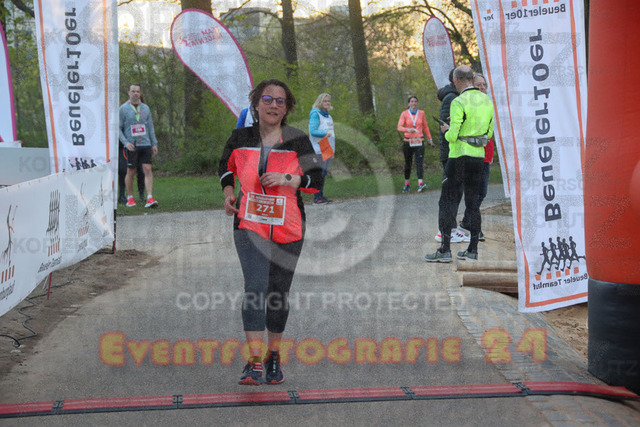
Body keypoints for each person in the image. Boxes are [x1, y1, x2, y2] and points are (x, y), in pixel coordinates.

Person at [218, 79, 323, 385]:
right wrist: (228, 193)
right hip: (249, 223)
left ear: (287, 108)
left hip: (289, 226)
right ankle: (253, 361)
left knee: (277, 293)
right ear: (256, 103)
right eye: (267, 99)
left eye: (280, 101)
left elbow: (317, 180)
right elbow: (225, 167)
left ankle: (273, 355)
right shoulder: (240, 137)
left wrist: (290, 179)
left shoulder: (298, 139)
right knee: (255, 288)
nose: (273, 105)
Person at [425, 65, 494, 262]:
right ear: (472, 79)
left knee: (447, 201)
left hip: (458, 158)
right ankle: (472, 250)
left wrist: (446, 129)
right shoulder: (487, 100)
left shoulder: (458, 101)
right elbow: (489, 133)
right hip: (478, 157)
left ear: (456, 81)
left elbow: (452, 136)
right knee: (473, 203)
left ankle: (445, 250)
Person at [433, 70, 468, 244]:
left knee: (456, 192)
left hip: (458, 152)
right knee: (450, 193)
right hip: (451, 154)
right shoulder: (451, 98)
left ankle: (451, 228)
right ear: (457, 80)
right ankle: (444, 231)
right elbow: (445, 128)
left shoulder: (457, 97)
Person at [459, 73, 494, 242]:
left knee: (482, 193)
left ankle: (467, 221)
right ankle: (473, 225)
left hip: (486, 156)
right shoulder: (469, 103)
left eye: (484, 85)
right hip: (473, 155)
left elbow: (490, 132)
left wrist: (491, 154)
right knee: (476, 193)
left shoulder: (487, 104)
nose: (482, 87)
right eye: (479, 84)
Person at [119, 84, 159, 208]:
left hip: (145, 143)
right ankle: (130, 198)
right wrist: (126, 143)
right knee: (131, 171)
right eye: (133, 91)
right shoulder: (123, 109)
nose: (135, 93)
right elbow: (118, 128)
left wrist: (154, 143)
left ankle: (150, 197)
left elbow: (150, 127)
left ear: (140, 93)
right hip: (132, 145)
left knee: (147, 169)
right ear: (129, 92)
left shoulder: (146, 108)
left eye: (137, 91)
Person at [397, 96, 433, 193]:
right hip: (408, 141)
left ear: (417, 103)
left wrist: (430, 138)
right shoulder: (404, 113)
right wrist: (408, 129)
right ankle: (406, 185)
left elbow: (425, 127)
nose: (414, 103)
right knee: (408, 163)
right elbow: (399, 127)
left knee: (419, 163)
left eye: (415, 101)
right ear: (409, 103)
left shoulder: (421, 113)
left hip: (419, 141)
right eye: (412, 101)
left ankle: (420, 184)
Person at [308, 93, 335, 204]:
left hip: (327, 148)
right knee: (319, 174)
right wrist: (325, 133)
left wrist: (332, 150)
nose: (327, 103)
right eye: (325, 101)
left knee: (323, 174)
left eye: (328, 101)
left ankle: (321, 196)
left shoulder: (328, 116)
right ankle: (317, 198)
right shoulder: (315, 114)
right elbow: (313, 131)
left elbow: (332, 134)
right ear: (320, 102)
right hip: (319, 148)